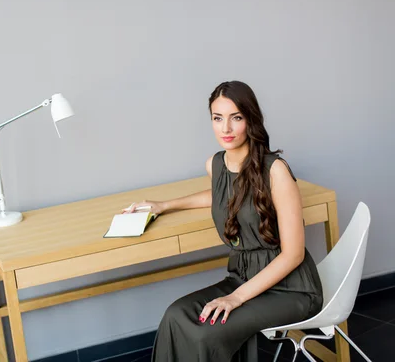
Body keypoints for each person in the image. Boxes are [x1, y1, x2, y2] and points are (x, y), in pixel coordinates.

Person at [124, 81, 323, 361]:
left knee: (208, 331)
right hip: (241, 277)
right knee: (175, 315)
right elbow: (222, 193)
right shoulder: (215, 164)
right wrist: (165, 205)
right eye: (218, 118)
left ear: (250, 120)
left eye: (236, 118)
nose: (225, 129)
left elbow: (293, 255)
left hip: (290, 288)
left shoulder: (275, 170)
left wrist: (236, 298)